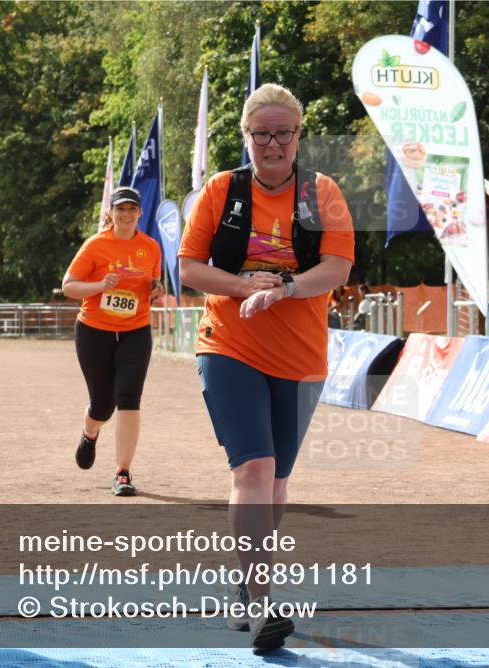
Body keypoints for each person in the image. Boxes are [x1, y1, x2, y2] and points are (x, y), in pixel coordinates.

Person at [178, 83, 354, 652]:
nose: (273, 143)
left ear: (298, 136)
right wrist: (239, 286)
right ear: (246, 137)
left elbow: (337, 267)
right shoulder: (219, 191)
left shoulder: (322, 193)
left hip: (302, 358)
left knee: (277, 484)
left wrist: (285, 290)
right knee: (253, 471)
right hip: (229, 346)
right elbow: (186, 267)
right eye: (262, 134)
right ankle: (260, 603)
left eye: (284, 133)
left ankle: (246, 585)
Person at [62, 187, 163, 497]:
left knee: (129, 396)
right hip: (95, 330)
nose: (126, 214)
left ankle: (122, 472)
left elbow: (153, 283)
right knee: (103, 403)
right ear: (112, 212)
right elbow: (69, 286)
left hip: (136, 330)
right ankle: (89, 433)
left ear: (139, 213)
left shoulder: (151, 247)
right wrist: (98, 285)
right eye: (121, 209)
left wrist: (156, 291)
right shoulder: (96, 246)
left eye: (132, 209)